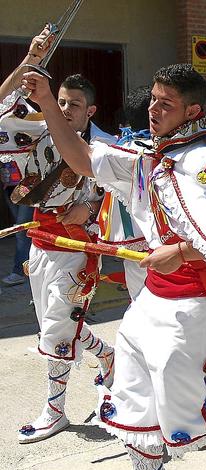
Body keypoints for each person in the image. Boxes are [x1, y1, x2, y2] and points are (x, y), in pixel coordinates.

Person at [23, 63, 206, 470]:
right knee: (131, 403)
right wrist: (45, 101)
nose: (153, 110)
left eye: (166, 104)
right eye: (152, 101)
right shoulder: (149, 161)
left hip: (193, 305)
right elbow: (83, 159)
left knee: (186, 419)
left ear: (193, 110)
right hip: (149, 300)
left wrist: (182, 250)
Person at [1, 43, 119, 444]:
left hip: (77, 247)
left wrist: (90, 208)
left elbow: (124, 194)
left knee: (55, 328)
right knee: (55, 321)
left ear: (92, 111)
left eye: (75, 104)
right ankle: (106, 355)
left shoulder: (106, 148)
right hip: (41, 241)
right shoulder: (35, 133)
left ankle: (54, 410)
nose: (67, 108)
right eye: (62, 101)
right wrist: (30, 64)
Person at [96, 85, 151, 301]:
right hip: (159, 244)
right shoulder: (156, 152)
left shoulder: (118, 148)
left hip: (135, 245)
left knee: (141, 301)